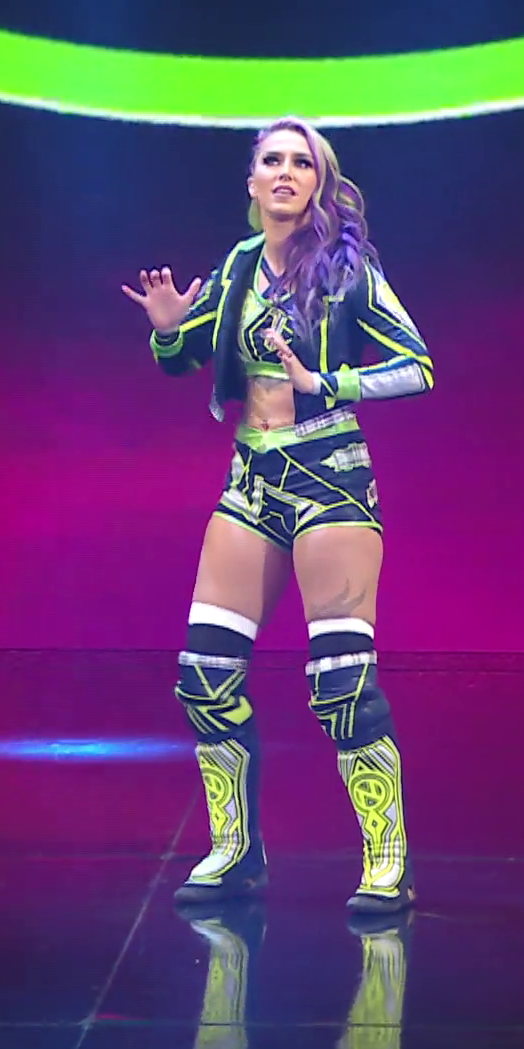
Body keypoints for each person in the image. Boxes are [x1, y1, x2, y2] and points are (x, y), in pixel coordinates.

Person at [120, 116, 435, 915]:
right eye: (273, 160)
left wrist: (329, 382)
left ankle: (387, 859)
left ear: (319, 183)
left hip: (331, 478)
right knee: (204, 676)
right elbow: (188, 356)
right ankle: (235, 851)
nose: (287, 172)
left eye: (303, 161)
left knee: (341, 685)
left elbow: (417, 366)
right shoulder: (237, 265)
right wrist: (168, 331)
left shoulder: (348, 269)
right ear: (253, 182)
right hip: (251, 480)